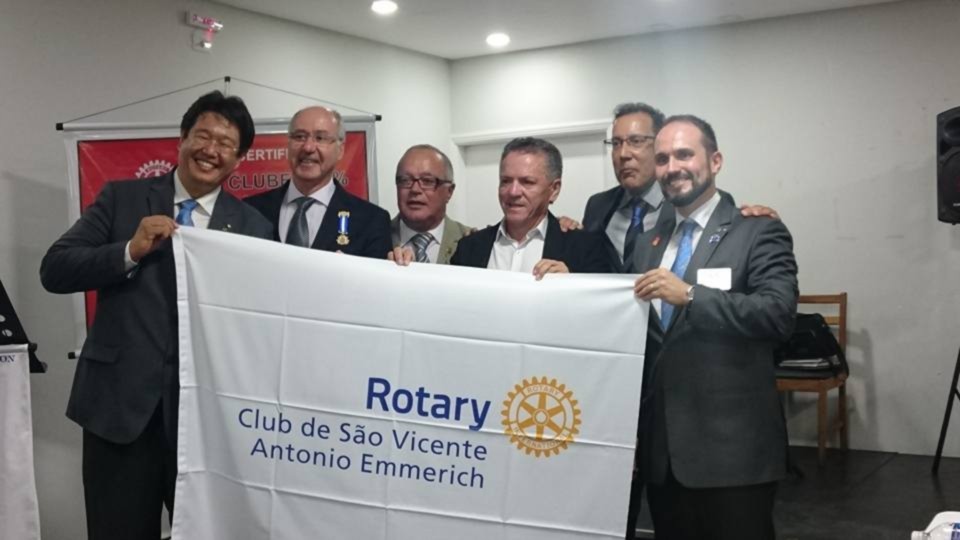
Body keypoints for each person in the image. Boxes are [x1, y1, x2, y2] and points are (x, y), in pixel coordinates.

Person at [39, 91, 273, 540]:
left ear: (239, 159)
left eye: (225, 143)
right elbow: (55, 269)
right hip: (118, 413)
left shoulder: (253, 229)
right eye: (202, 135)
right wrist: (129, 250)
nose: (211, 149)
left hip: (207, 425)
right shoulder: (121, 199)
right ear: (182, 138)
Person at [630, 114, 798, 540]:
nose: (672, 168)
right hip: (664, 458)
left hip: (733, 457)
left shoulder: (757, 230)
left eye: (684, 154)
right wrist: (567, 278)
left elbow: (778, 315)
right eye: (663, 159)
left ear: (715, 161)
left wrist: (690, 295)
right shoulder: (646, 243)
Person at [574, 102, 778, 274]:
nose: (623, 154)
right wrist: (565, 231)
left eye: (636, 141)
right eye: (616, 143)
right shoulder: (598, 206)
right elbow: (590, 262)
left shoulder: (695, 202)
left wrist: (757, 222)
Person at [449, 137, 610, 277]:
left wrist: (572, 283)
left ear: (554, 190)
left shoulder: (586, 248)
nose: (513, 192)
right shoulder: (469, 248)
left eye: (527, 182)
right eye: (506, 181)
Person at [244, 106, 391, 258]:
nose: (308, 147)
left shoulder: (371, 221)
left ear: (340, 150)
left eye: (320, 138)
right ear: (288, 144)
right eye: (299, 137)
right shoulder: (250, 211)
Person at [387, 144, 471, 264]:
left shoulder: (470, 240)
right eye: (405, 180)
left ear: (449, 192)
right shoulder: (375, 237)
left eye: (427, 181)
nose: (415, 189)